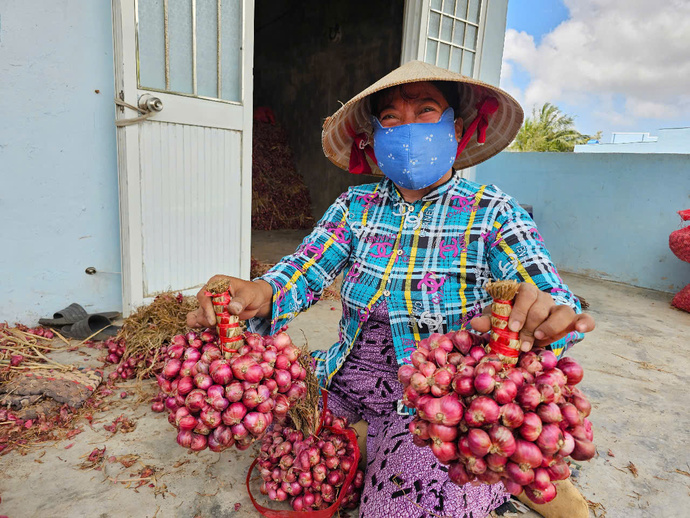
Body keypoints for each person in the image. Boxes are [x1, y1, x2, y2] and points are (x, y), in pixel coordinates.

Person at [187, 61, 594, 518]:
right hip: (347, 376)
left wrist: (547, 313)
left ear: (455, 129)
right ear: (375, 138)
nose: (408, 127)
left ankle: (503, 480)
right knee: (279, 446)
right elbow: (303, 268)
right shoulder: (354, 207)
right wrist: (258, 291)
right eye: (391, 118)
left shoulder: (494, 212)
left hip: (435, 398)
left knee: (400, 505)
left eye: (426, 110)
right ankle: (374, 437)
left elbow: (549, 295)